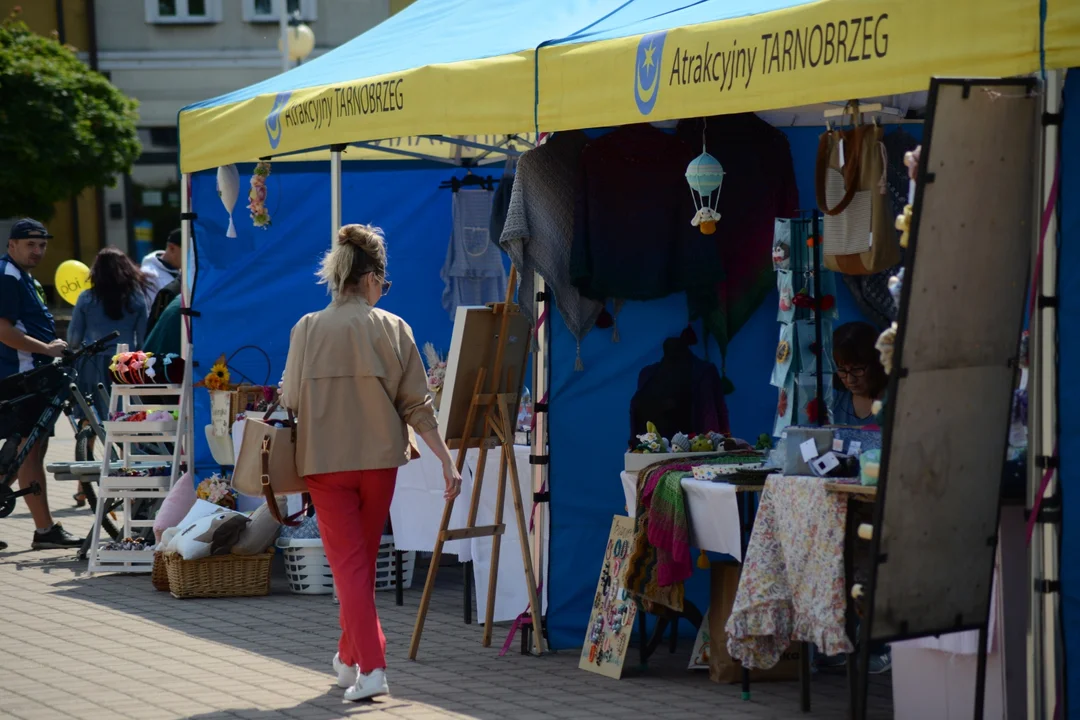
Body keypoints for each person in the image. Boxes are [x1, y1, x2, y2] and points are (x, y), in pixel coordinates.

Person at [280, 224, 462, 702]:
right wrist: (446, 460)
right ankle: (349, 659)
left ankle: (372, 666)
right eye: (384, 281)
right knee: (355, 565)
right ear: (371, 278)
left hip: (325, 461)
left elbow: (291, 397)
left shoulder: (306, 328)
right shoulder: (394, 327)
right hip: (379, 461)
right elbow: (418, 406)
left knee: (350, 568)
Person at [0, 219, 81, 550]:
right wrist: (47, 349)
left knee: (22, 454)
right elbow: (3, 330)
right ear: (12, 245)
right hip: (20, 378)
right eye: (30, 244)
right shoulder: (7, 276)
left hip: (33, 376)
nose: (38, 251)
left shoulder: (23, 276)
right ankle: (45, 531)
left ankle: (45, 530)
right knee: (27, 452)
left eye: (42, 245)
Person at [818, 320, 891, 674]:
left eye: (857, 369)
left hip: (885, 502)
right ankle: (844, 639)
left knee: (874, 566)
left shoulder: (891, 398)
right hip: (849, 499)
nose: (849, 378)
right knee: (842, 565)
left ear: (876, 362)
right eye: (843, 370)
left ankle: (878, 643)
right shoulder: (840, 399)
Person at [68, 247, 150, 503]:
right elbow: (143, 339)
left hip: (91, 366)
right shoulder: (137, 298)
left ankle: (84, 487)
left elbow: (73, 339)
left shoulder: (86, 299)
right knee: (125, 422)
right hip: (125, 367)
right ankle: (131, 481)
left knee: (88, 424)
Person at [141, 229, 181, 303]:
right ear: (172, 248)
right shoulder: (149, 275)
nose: (192, 257)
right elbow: (150, 311)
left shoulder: (186, 271)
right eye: (188, 252)